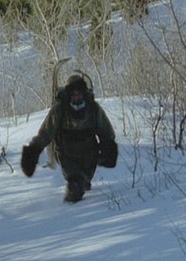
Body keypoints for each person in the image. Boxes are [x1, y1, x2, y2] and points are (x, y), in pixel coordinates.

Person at [21, 74, 118, 203]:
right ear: (68, 95)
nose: (76, 97)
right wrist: (33, 151)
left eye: (79, 94)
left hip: (89, 154)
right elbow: (45, 133)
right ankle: (71, 200)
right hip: (66, 154)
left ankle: (82, 183)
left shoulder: (93, 109)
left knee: (83, 180)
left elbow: (106, 130)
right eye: (73, 95)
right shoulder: (59, 110)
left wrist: (109, 147)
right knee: (75, 185)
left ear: (84, 94)